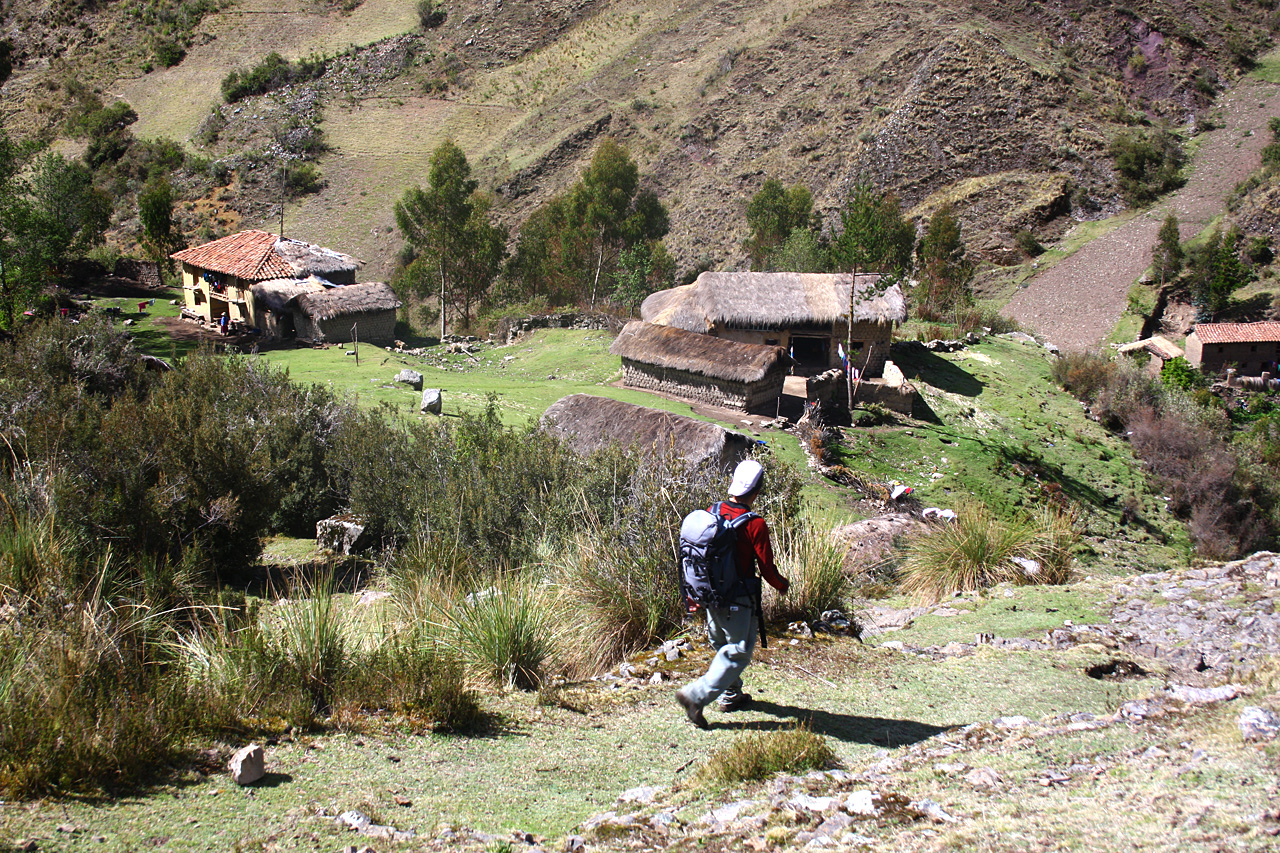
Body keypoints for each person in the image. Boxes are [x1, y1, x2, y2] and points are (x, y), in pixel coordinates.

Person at [675, 459, 789, 728]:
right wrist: (782, 586)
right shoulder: (755, 524)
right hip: (739, 600)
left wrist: (692, 595)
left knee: (721, 645)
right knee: (737, 651)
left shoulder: (712, 512)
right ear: (757, 490)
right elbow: (767, 568)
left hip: (712, 597)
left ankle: (731, 694)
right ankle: (695, 696)